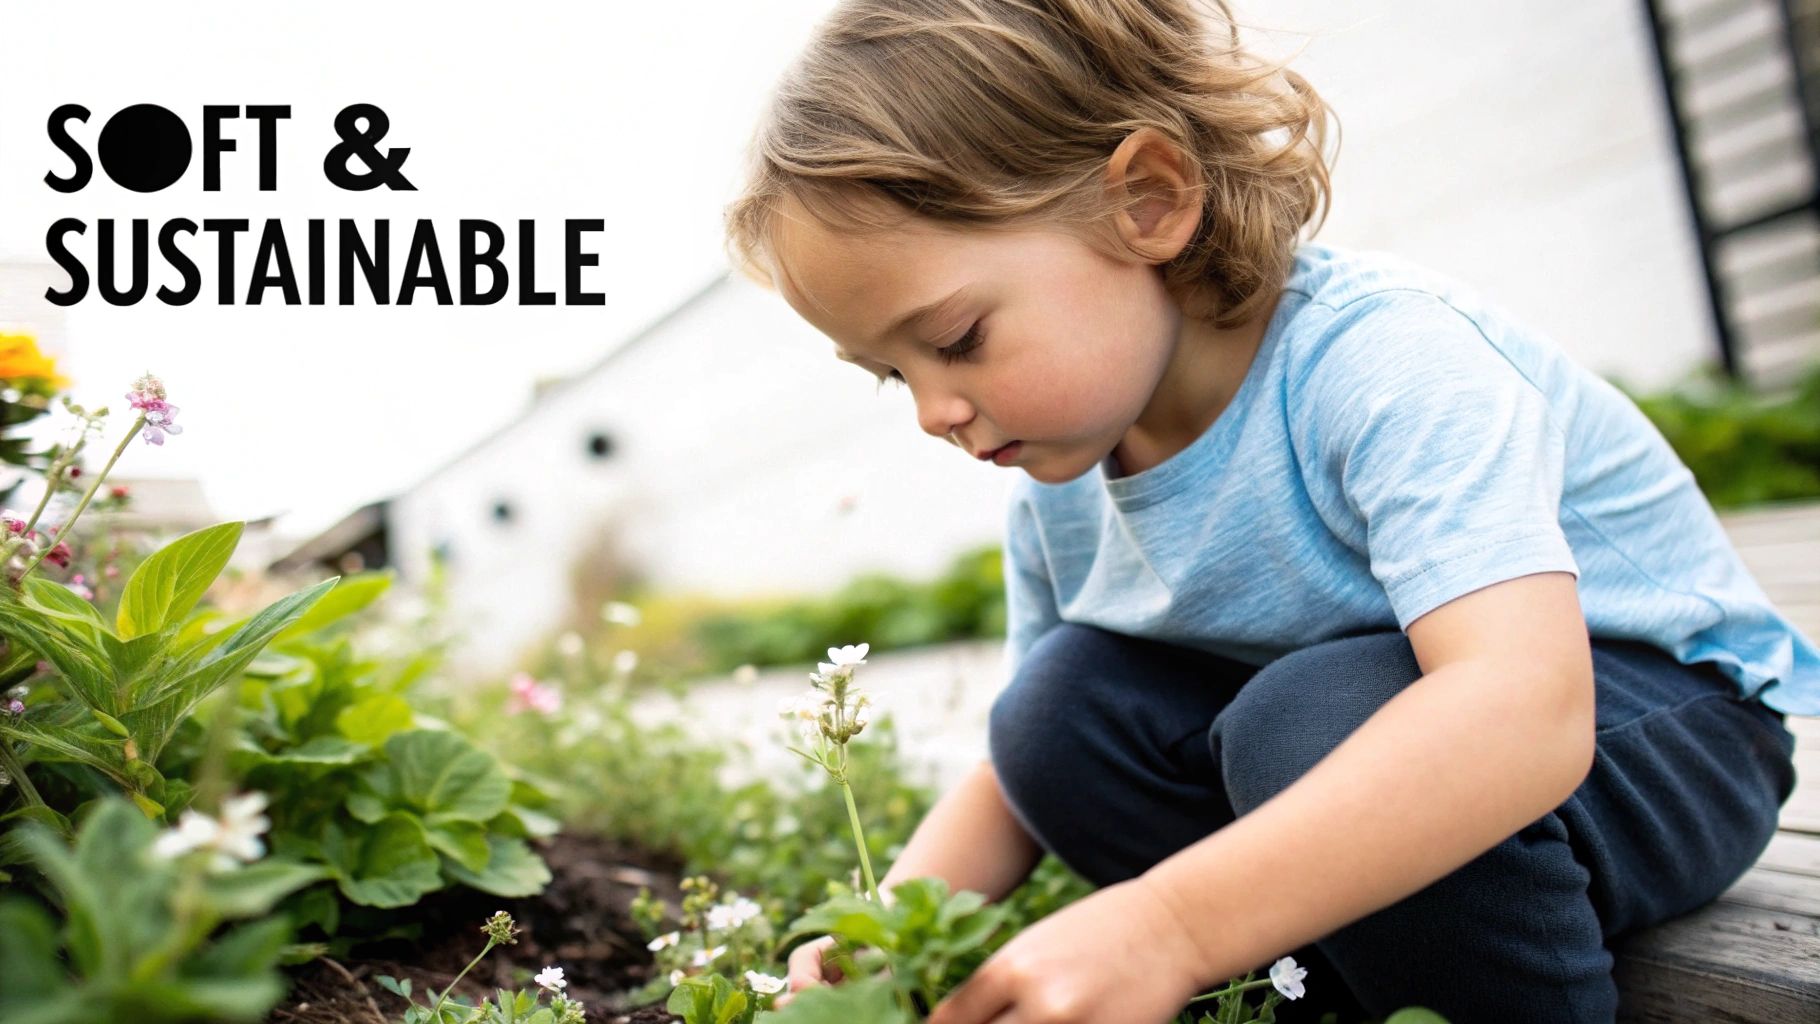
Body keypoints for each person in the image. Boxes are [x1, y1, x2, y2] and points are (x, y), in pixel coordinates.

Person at [720, 1, 1817, 1021]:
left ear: (1145, 200)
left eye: (954, 339)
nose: (931, 410)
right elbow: (1018, 777)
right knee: (1056, 715)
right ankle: (1339, 984)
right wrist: (881, 934)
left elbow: (1522, 712)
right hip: (1351, 730)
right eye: (887, 374)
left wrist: (1171, 923)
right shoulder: (1063, 480)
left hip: (1657, 733)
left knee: (1308, 716)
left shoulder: (1379, 360)